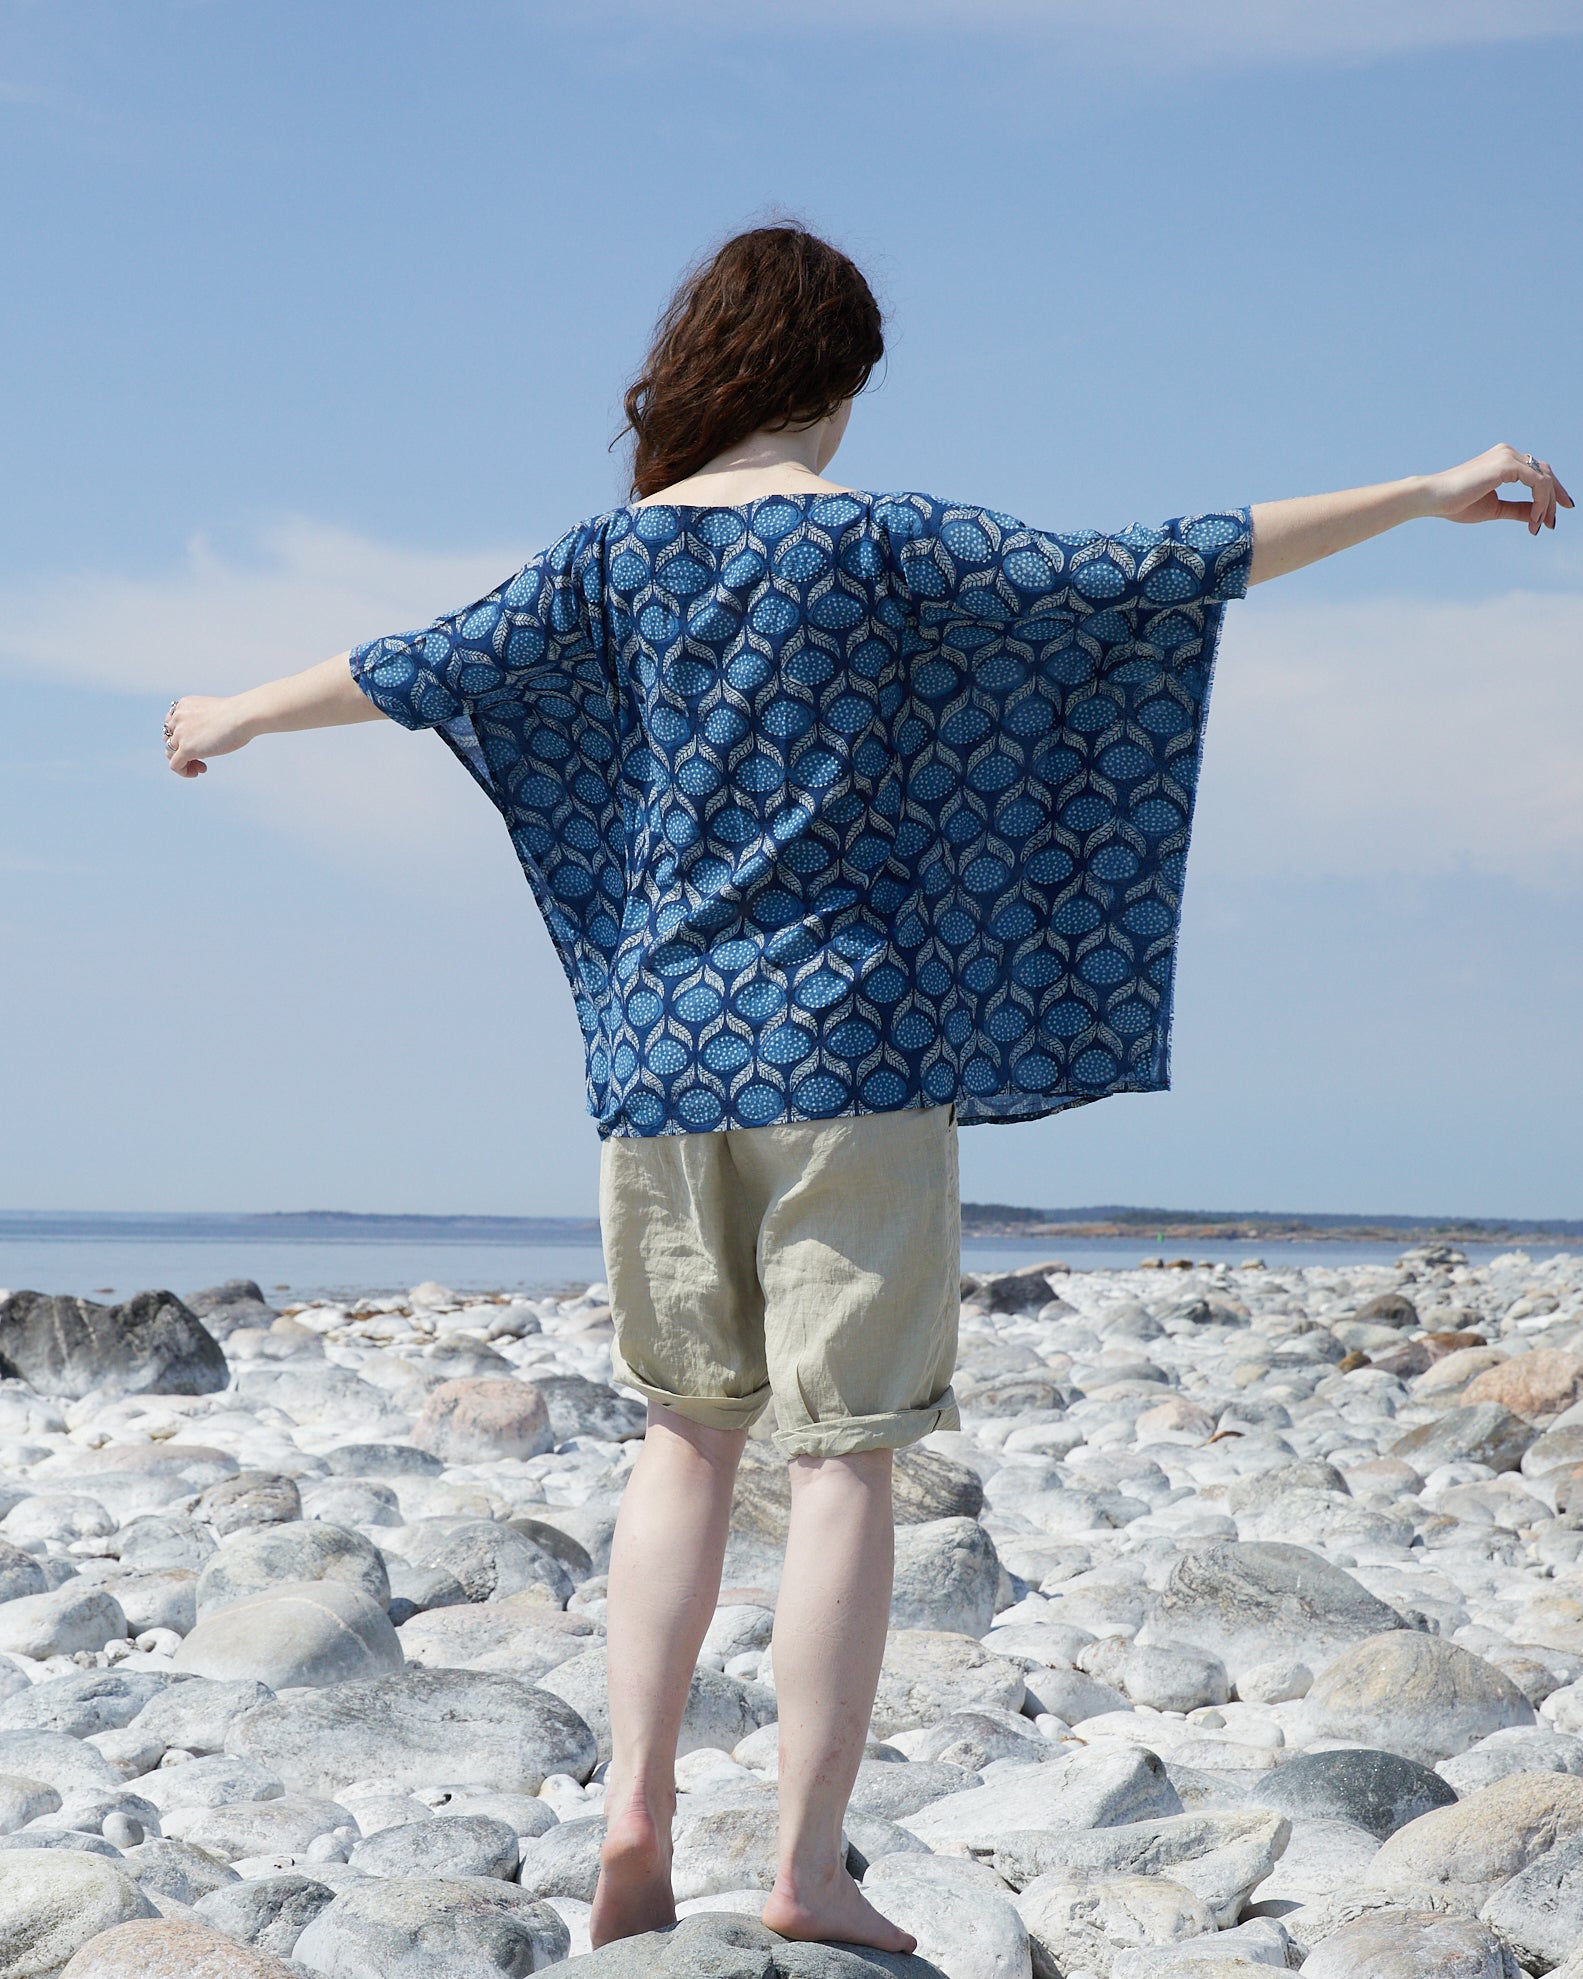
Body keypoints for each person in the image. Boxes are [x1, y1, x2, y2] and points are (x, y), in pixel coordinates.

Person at [164, 223, 1570, 1951]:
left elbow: (405, 668)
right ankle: (807, 1868)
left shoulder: (609, 563)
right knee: (841, 1464)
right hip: (855, 1044)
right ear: (828, 384)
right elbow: (1165, 565)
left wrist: (228, 710)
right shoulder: (886, 542)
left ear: (704, 374)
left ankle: (633, 1814)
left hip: (665, 1053)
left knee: (685, 1437)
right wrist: (1427, 490)